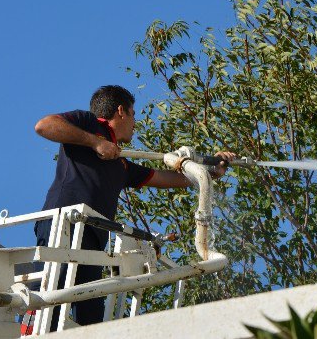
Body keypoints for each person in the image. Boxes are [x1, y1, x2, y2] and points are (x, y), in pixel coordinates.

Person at [32, 85, 235, 330]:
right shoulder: (88, 123)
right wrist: (95, 142)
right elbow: (44, 125)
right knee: (47, 306)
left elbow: (166, 179)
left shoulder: (121, 165)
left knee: (91, 319)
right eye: (134, 114)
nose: (135, 122)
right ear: (121, 111)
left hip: (93, 241)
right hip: (63, 226)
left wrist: (210, 173)